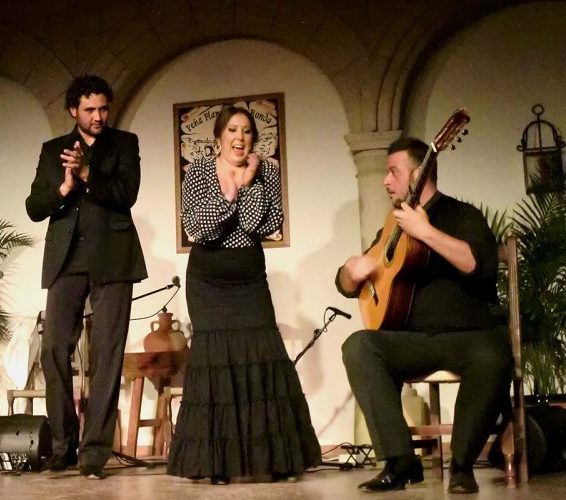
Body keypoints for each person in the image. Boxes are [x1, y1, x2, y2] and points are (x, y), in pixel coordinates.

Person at [337, 137, 512, 494]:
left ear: (418, 175)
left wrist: (427, 232)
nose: (385, 181)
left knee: (494, 356)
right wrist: (349, 273)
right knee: (359, 346)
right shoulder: (393, 225)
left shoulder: (463, 215)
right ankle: (400, 461)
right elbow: (351, 283)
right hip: (415, 339)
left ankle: (462, 466)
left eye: (393, 172)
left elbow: (478, 265)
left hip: (469, 335)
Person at [167, 105, 321, 484]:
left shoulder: (266, 170)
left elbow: (260, 224)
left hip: (249, 282)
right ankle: (217, 463)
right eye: (232, 130)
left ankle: (272, 459)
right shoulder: (199, 172)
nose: (240, 137)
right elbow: (200, 228)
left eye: (247, 131)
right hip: (208, 285)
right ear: (218, 137)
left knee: (262, 358)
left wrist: (249, 182)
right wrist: (232, 190)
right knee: (217, 365)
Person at [25, 75, 147, 480]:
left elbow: (126, 194)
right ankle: (63, 446)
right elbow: (34, 206)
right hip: (67, 258)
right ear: (73, 110)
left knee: (107, 356)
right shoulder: (51, 150)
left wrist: (89, 172)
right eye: (90, 109)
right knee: (54, 350)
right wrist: (64, 186)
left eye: (103, 109)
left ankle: (94, 453)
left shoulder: (124, 144)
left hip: (113, 257)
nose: (98, 116)